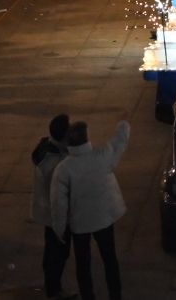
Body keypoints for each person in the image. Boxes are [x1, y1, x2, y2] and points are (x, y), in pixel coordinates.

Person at [50, 119, 132, 300]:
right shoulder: (102, 156)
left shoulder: (64, 169)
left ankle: (88, 296)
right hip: (104, 217)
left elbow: (58, 203)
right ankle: (115, 294)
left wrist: (59, 228)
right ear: (86, 138)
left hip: (80, 223)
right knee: (109, 258)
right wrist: (123, 124)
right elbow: (119, 143)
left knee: (83, 263)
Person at [32, 113, 73, 299]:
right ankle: (54, 289)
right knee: (58, 253)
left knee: (52, 251)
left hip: (47, 211)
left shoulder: (45, 150)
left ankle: (52, 285)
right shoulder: (57, 163)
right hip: (57, 214)